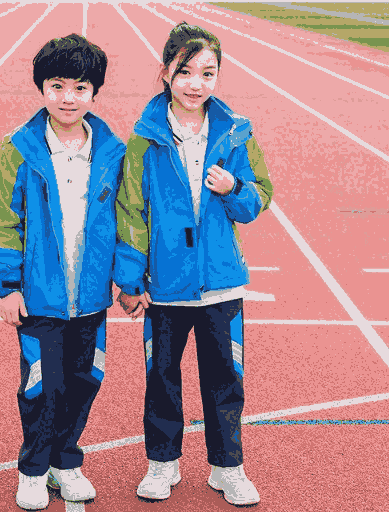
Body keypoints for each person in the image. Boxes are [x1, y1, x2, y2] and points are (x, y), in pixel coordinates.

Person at [115, 22, 273, 506]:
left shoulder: (236, 132)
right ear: (165, 73)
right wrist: (128, 278)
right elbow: (130, 210)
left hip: (221, 286)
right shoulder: (144, 137)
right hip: (164, 286)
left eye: (207, 72)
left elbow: (260, 197)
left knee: (225, 381)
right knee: (162, 378)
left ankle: (228, 468)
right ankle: (162, 463)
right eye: (184, 71)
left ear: (218, 77)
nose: (195, 83)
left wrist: (235, 190)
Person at [0, 34, 125, 510]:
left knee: (85, 380)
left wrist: (130, 279)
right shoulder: (18, 149)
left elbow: (129, 219)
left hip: (90, 296)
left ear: (94, 93)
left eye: (80, 87)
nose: (68, 98)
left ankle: (67, 460)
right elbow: (1, 219)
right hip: (39, 295)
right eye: (57, 85)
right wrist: (7, 287)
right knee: (42, 385)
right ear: (41, 88)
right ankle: (34, 469)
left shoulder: (111, 150)